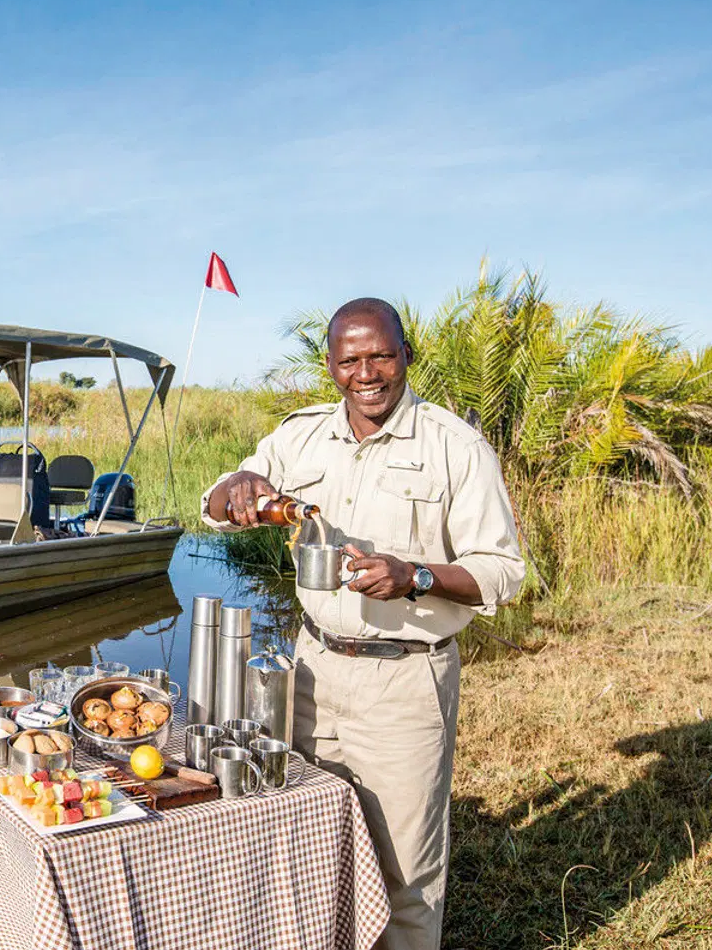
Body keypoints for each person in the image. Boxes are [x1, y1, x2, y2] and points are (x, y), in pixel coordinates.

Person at [201, 298, 525, 950]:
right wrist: (237, 484)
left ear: (407, 354)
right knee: (309, 846)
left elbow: (503, 572)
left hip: (404, 682)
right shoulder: (300, 436)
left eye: (381, 355)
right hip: (310, 671)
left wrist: (416, 576)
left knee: (405, 874)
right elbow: (215, 507)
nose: (367, 373)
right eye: (351, 360)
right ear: (331, 365)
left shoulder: (454, 445)